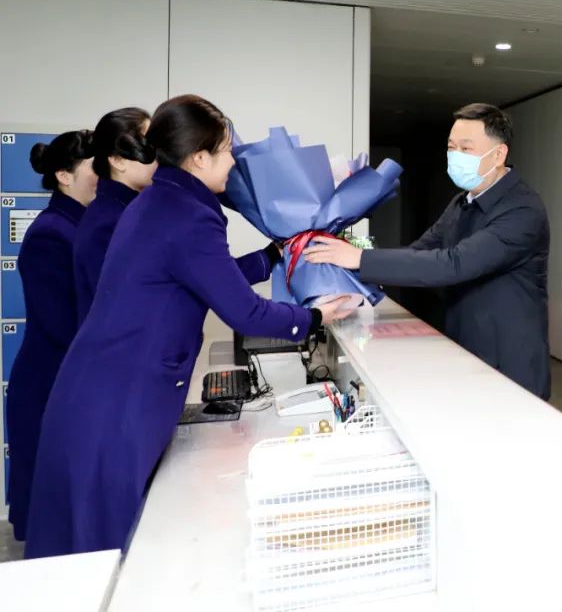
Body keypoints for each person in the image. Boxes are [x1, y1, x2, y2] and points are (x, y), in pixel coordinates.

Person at [24, 95, 351, 558]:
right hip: (118, 400)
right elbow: (246, 313)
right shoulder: (187, 215)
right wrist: (315, 317)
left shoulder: (162, 200)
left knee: (95, 541)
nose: (233, 160)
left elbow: (203, 278)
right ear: (199, 158)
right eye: (226, 150)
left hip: (103, 388)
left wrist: (276, 254)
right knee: (107, 550)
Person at [304, 103, 552, 398]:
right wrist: (349, 276)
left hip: (510, 364)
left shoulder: (522, 210)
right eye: (451, 147)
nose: (455, 156)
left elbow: (453, 264)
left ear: (498, 155)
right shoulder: (462, 202)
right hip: (466, 353)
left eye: (466, 148)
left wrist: (360, 259)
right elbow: (420, 251)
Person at [5, 130, 96, 542]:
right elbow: (63, 324)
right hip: (49, 386)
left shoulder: (85, 224)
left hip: (72, 380)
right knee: (52, 522)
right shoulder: (50, 233)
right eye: (95, 166)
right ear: (63, 174)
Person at [73, 107, 157, 323]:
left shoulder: (133, 212)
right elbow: (120, 309)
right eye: (148, 147)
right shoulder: (107, 223)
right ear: (118, 160)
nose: (159, 158)